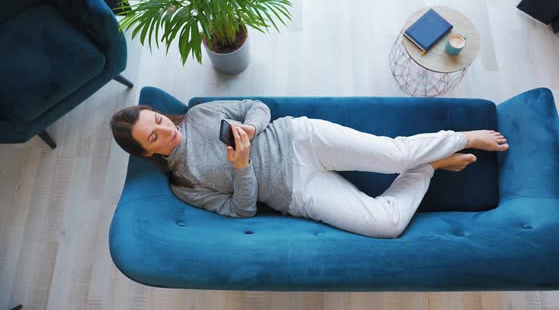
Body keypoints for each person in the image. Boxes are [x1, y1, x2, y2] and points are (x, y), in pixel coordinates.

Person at [110, 99, 509, 238]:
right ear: (147, 154)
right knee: (386, 226)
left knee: (393, 155)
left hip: (300, 138)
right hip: (295, 192)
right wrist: (242, 167)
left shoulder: (197, 115)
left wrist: (251, 127)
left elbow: (257, 106)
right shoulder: (184, 184)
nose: (166, 131)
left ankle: (462, 136)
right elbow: (241, 211)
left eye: (159, 121)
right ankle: (432, 165)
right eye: (154, 138)